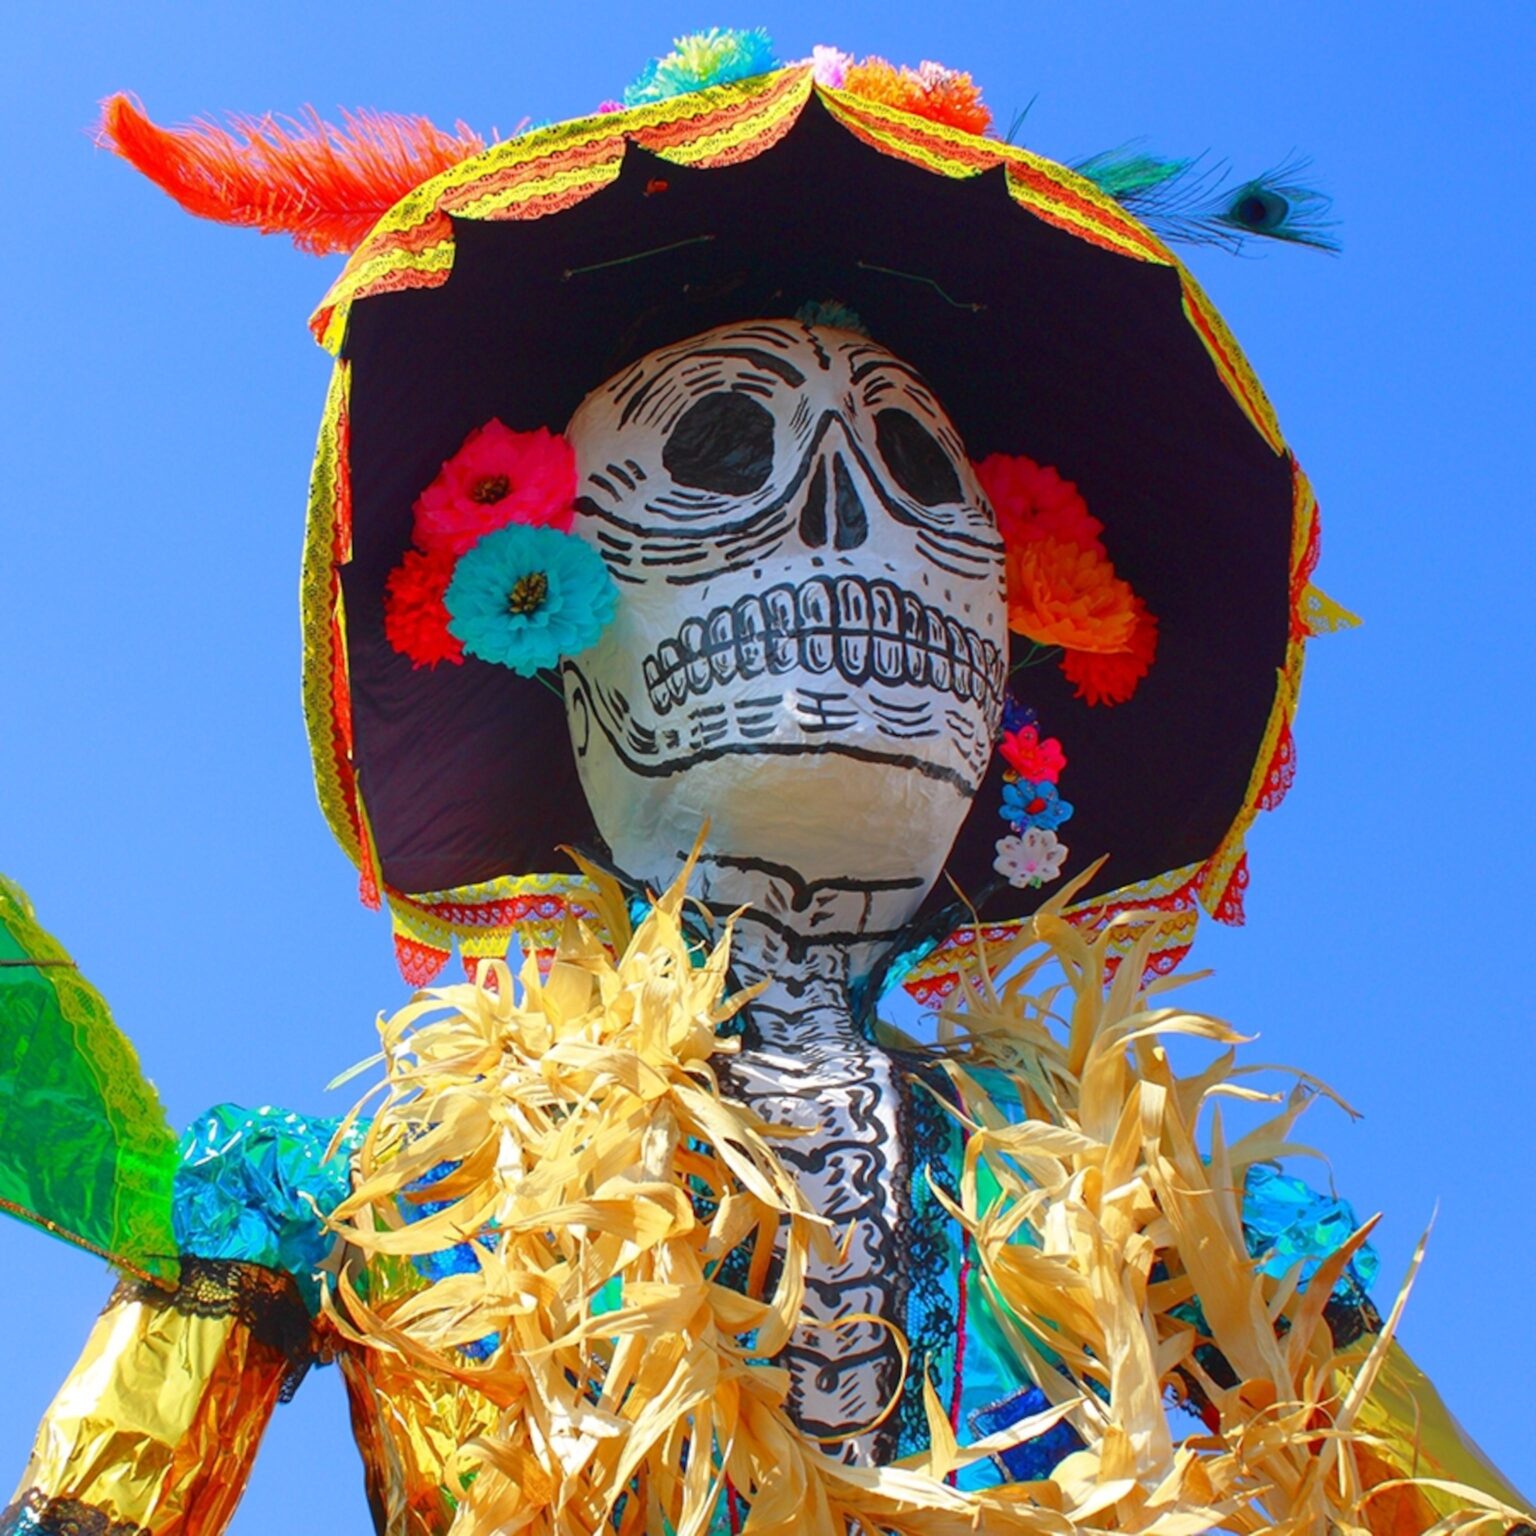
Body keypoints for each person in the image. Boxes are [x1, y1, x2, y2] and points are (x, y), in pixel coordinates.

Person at [3, 34, 1529, 1536]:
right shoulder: (361, 1205)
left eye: (923, 482)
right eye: (727, 460)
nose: (848, 538)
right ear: (552, 620)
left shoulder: (1172, 1219)